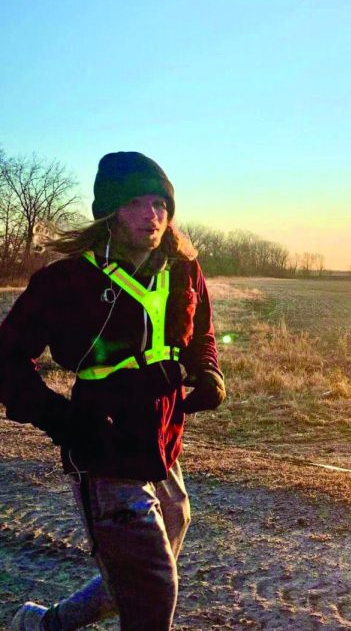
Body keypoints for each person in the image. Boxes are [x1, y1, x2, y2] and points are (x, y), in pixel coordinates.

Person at [0, 152, 226, 630]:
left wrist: (208, 372)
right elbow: (7, 356)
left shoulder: (183, 268)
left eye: (160, 202)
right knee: (153, 590)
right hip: (102, 449)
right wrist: (60, 419)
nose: (152, 215)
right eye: (135, 203)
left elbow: (202, 331)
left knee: (144, 572)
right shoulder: (66, 281)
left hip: (164, 445)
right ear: (109, 211)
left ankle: (42, 625)